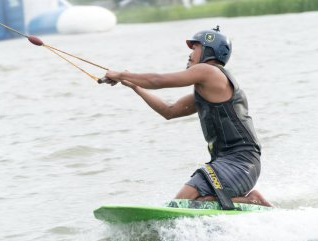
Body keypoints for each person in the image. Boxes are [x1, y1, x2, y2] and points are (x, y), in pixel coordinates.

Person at [103, 26, 272, 207]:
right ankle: (250, 201)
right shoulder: (207, 89)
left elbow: (158, 81)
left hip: (238, 162)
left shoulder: (209, 71)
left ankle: (252, 200)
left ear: (209, 51)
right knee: (194, 205)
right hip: (234, 164)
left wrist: (121, 74)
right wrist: (134, 86)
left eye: (195, 47)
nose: (190, 53)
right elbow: (169, 111)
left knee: (179, 204)